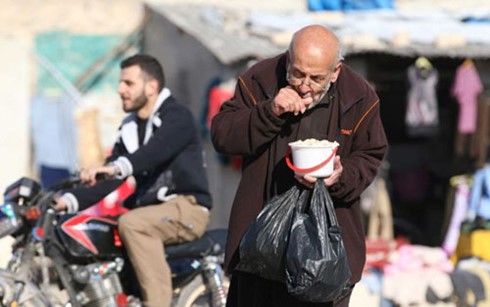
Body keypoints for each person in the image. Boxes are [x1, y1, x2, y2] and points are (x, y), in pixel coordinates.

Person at [211, 25, 388, 306]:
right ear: (288, 59)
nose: (305, 85)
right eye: (297, 74)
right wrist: (269, 111)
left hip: (325, 256)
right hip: (260, 248)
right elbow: (223, 137)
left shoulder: (359, 97)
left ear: (336, 72)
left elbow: (370, 156)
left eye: (316, 78)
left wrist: (341, 177)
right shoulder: (259, 80)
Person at [54, 54, 212, 307]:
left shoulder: (177, 117)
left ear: (151, 87)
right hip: (151, 213)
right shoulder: (129, 128)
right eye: (120, 83)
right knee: (95, 228)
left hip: (187, 208)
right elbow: (110, 180)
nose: (120, 90)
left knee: (132, 223)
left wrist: (116, 167)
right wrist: (65, 201)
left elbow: (152, 153)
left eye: (128, 83)